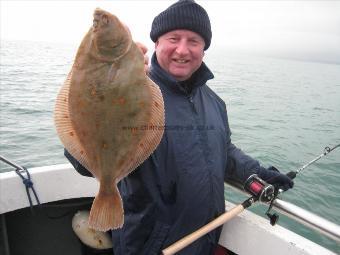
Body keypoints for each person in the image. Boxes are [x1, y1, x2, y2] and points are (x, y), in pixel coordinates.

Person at [65, 0, 294, 254]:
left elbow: (223, 151)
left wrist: (261, 173)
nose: (182, 50)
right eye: (174, 38)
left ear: (204, 49)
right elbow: (82, 162)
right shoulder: (135, 90)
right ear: (157, 43)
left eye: (193, 41)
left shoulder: (214, 103)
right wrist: (98, 84)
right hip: (149, 246)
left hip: (202, 241)